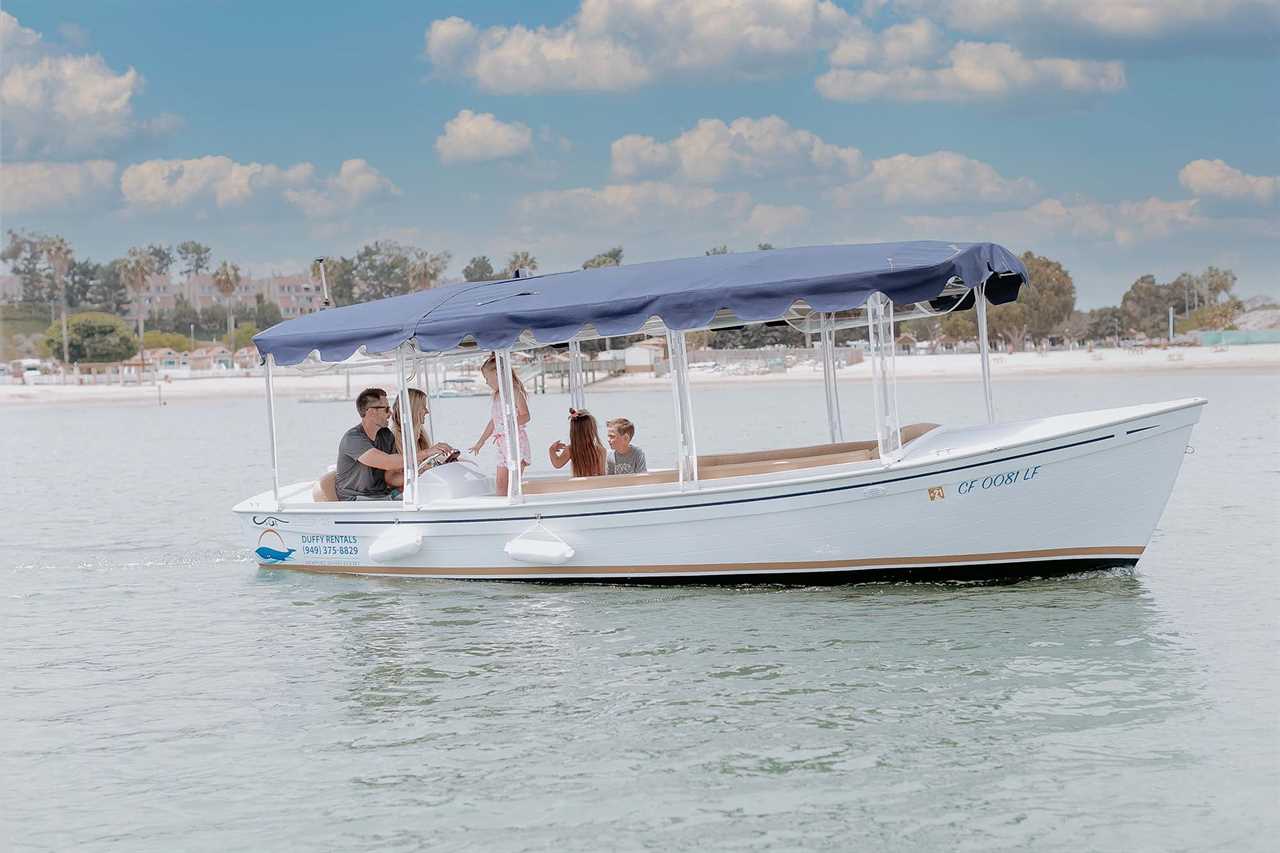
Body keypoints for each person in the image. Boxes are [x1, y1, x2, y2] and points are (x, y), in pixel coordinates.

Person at [335, 387, 434, 501]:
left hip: (382, 496)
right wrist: (426, 453)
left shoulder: (386, 435)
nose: (391, 413)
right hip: (357, 499)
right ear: (371, 412)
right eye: (386, 409)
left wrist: (423, 471)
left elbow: (390, 477)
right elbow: (388, 463)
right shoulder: (353, 439)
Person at [469, 354, 531, 496]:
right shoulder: (497, 396)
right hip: (502, 444)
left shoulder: (514, 392)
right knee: (500, 483)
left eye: (487, 378)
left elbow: (526, 416)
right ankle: (502, 509)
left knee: (513, 483)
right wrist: (480, 442)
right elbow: (493, 422)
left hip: (516, 442)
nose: (486, 382)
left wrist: (511, 424)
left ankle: (514, 506)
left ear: (498, 374)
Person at [386, 388, 457, 490]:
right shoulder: (393, 438)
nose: (427, 411)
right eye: (423, 407)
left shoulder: (420, 436)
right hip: (405, 497)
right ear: (413, 409)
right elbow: (391, 479)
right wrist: (420, 471)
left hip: (421, 491)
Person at [549, 408, 607, 477]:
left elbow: (557, 464)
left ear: (573, 432)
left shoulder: (571, 449)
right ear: (593, 430)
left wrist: (552, 449)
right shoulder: (600, 450)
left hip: (577, 486)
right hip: (594, 486)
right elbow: (602, 475)